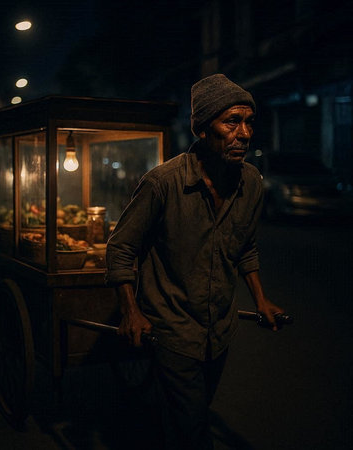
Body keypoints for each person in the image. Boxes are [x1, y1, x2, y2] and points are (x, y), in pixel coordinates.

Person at [105, 73, 284, 449]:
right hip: (172, 327)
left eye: (249, 122)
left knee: (194, 414)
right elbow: (121, 247)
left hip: (219, 329)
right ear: (203, 129)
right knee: (191, 428)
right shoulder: (163, 183)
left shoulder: (250, 182)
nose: (245, 133)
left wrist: (261, 300)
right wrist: (131, 311)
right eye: (231, 122)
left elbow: (245, 246)